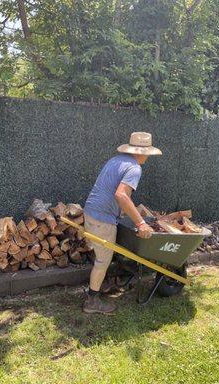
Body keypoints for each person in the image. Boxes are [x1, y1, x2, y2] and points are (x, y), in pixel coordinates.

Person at [83, 132, 162, 314]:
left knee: (101, 255)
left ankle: (100, 285)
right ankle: (92, 302)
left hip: (91, 212)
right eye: (148, 153)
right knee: (103, 261)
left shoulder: (116, 160)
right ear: (142, 152)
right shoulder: (134, 168)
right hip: (102, 218)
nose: (148, 157)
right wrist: (141, 223)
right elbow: (121, 195)